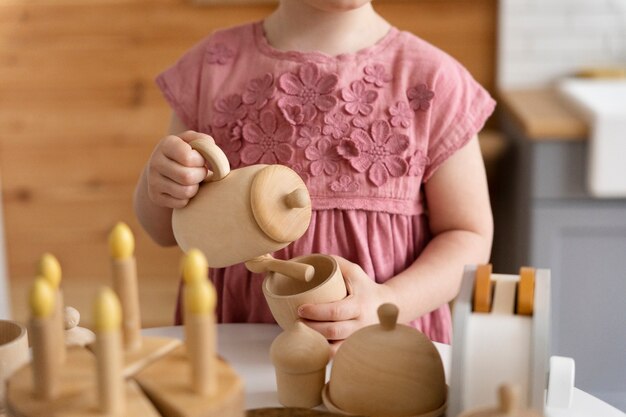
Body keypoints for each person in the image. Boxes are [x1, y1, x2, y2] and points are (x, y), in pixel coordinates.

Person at [133, 0, 495, 350]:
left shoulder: (432, 80)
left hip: (382, 354)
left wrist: (388, 301)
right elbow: (165, 230)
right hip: (236, 347)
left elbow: (469, 235)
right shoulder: (212, 67)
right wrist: (162, 180)